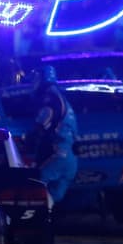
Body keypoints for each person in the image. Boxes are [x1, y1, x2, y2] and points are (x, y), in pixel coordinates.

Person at [27, 66, 78, 204]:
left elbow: (41, 125)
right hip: (70, 159)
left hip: (56, 156)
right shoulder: (63, 100)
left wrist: (28, 142)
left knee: (35, 188)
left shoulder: (50, 100)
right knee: (52, 199)